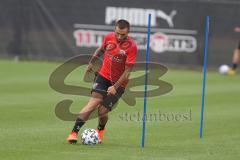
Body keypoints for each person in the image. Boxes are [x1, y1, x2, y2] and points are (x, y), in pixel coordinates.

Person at [67, 19, 138, 144]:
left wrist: (115, 86)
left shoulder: (132, 46)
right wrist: (92, 62)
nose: (119, 37)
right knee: (93, 102)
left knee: (102, 111)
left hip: (120, 83)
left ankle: (100, 129)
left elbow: (127, 71)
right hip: (103, 76)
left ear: (128, 33)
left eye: (123, 34)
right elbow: (100, 49)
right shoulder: (109, 37)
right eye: (117, 33)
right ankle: (74, 133)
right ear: (114, 30)